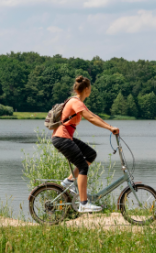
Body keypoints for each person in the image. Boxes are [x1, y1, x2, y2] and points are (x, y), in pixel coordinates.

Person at [51, 76, 119, 213]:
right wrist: (109, 128)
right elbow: (91, 118)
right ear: (86, 89)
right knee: (82, 166)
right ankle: (83, 203)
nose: (90, 91)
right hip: (62, 138)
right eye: (90, 89)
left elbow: (93, 115)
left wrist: (110, 126)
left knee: (90, 154)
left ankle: (68, 182)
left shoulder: (77, 102)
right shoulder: (75, 102)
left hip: (64, 138)